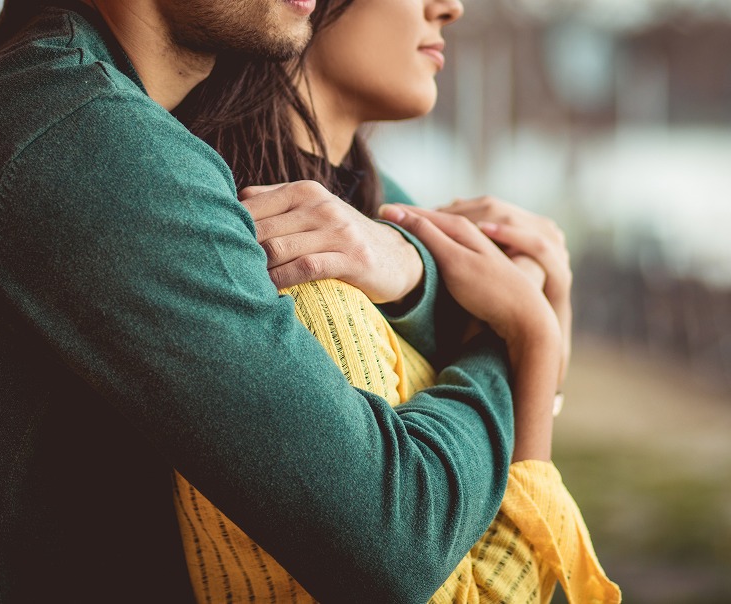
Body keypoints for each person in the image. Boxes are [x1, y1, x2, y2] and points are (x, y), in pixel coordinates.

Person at [0, 0, 564, 602]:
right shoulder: (88, 139)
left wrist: (412, 270)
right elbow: (398, 537)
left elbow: (416, 243)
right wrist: (511, 345)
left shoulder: (60, 94)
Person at [174, 0, 620, 601]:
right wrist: (527, 338)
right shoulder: (300, 278)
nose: (451, 8)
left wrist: (530, 309)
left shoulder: (369, 214)